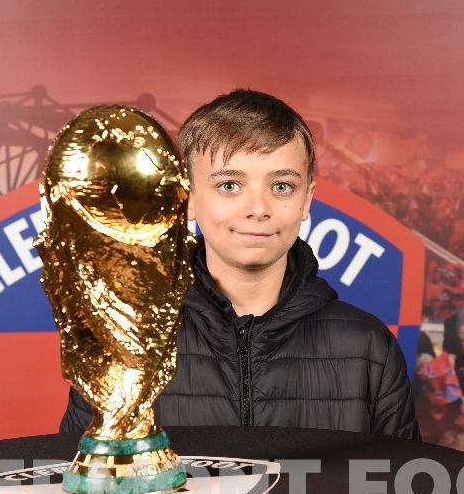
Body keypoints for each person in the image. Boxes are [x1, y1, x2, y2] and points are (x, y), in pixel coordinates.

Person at [60, 89, 420, 439]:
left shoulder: (369, 348)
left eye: (281, 187)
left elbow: (398, 492)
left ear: (306, 200)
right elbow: (84, 487)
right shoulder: (123, 342)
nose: (258, 208)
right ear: (186, 197)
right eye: (230, 185)